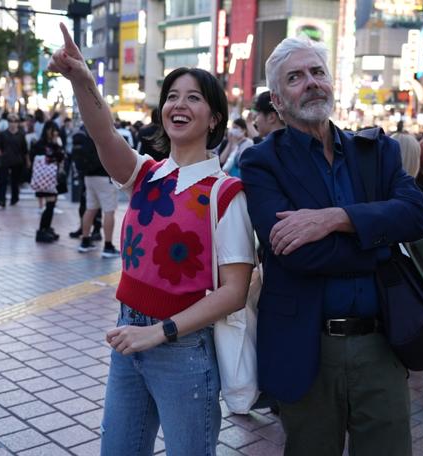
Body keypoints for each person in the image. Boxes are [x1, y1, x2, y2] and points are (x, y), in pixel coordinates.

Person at [49, 23, 255, 455]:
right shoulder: (146, 174)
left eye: (193, 97)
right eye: (172, 97)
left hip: (183, 348)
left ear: (215, 118)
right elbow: (103, 133)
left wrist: (159, 333)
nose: (179, 105)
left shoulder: (224, 194)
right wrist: (83, 79)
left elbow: (234, 293)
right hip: (128, 336)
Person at [240, 35, 423, 455]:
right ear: (277, 99)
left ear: (331, 82)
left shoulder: (375, 150)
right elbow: (296, 251)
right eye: (296, 77)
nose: (311, 82)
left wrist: (336, 219)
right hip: (307, 345)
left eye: (317, 72)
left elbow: (417, 217)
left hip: (381, 343)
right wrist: (378, 238)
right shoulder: (261, 162)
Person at [74, 125, 120, 257]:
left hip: (88, 177)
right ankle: (108, 246)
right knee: (109, 211)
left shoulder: (85, 133)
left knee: (90, 209)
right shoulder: (103, 133)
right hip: (104, 177)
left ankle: (85, 241)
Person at [31, 121, 66, 243]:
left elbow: (61, 157)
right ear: (47, 130)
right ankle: (42, 230)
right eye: (53, 130)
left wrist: (58, 145)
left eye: (56, 130)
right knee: (50, 205)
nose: (55, 133)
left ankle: (47, 228)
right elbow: (46, 159)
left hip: (53, 179)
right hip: (45, 179)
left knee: (52, 204)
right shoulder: (41, 144)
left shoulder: (55, 143)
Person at [0, 114, 30, 207]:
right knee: (3, 180)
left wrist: (27, 161)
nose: (13, 123)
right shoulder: (3, 134)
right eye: (11, 121)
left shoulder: (21, 135)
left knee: (15, 181)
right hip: (5, 160)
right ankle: (1, 199)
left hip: (17, 161)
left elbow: (25, 149)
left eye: (15, 121)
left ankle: (14, 198)